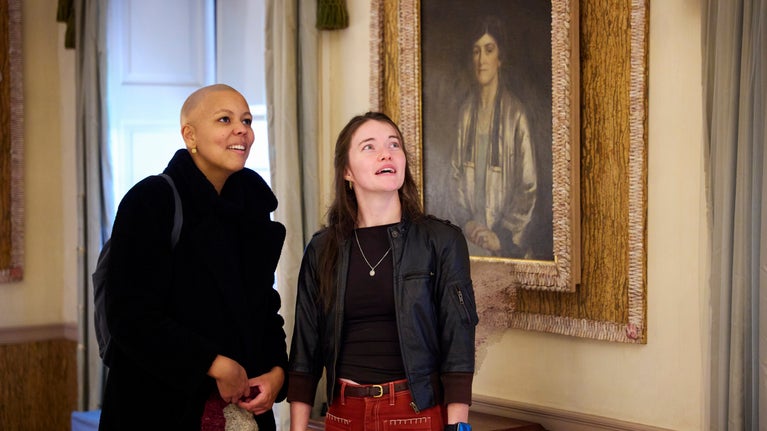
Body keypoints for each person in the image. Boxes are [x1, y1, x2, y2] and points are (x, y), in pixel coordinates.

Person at [99, 84, 288, 430]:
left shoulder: (253, 209)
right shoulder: (151, 200)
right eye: (224, 119)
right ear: (190, 135)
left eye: (246, 120)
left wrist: (276, 373)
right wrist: (215, 364)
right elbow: (130, 317)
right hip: (157, 408)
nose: (241, 129)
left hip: (243, 413)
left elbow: (264, 308)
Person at [287, 112, 479, 431]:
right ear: (347, 171)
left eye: (394, 144)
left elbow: (458, 343)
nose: (386, 153)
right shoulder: (322, 248)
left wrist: (458, 427)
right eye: (369, 146)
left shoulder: (441, 240)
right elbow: (305, 351)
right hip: (343, 414)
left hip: (414, 413)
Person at [450, 16, 538, 259]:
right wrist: (467, 224)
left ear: (500, 58)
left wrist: (501, 236)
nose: (481, 60)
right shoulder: (467, 113)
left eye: (489, 50)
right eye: (476, 51)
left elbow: (527, 188)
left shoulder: (515, 114)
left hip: (505, 248)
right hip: (471, 244)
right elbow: (455, 175)